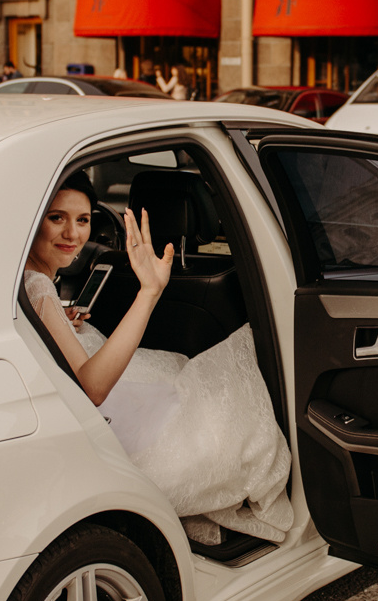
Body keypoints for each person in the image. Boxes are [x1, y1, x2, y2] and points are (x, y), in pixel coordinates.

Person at [24, 175, 293, 544]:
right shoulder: (36, 286)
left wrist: (60, 321)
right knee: (227, 419)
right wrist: (149, 292)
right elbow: (93, 387)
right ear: (31, 218)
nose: (72, 234)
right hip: (95, 421)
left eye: (83, 220)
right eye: (57, 218)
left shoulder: (33, 283)